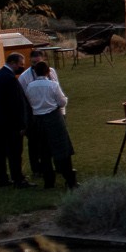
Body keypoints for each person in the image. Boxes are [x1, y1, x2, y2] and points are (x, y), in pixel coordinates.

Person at [22, 61, 77, 189]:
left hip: (38, 120)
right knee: (62, 150)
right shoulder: (53, 85)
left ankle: (49, 181)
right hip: (53, 118)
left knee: (44, 152)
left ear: (35, 72)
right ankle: (69, 179)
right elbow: (62, 102)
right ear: (47, 72)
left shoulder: (29, 87)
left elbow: (29, 102)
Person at [0, 50, 32, 187]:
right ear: (12, 63)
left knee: (0, 152)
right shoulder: (10, 79)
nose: (22, 67)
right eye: (20, 64)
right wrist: (22, 124)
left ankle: (2, 178)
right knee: (14, 152)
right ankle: (18, 178)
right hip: (10, 123)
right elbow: (16, 103)